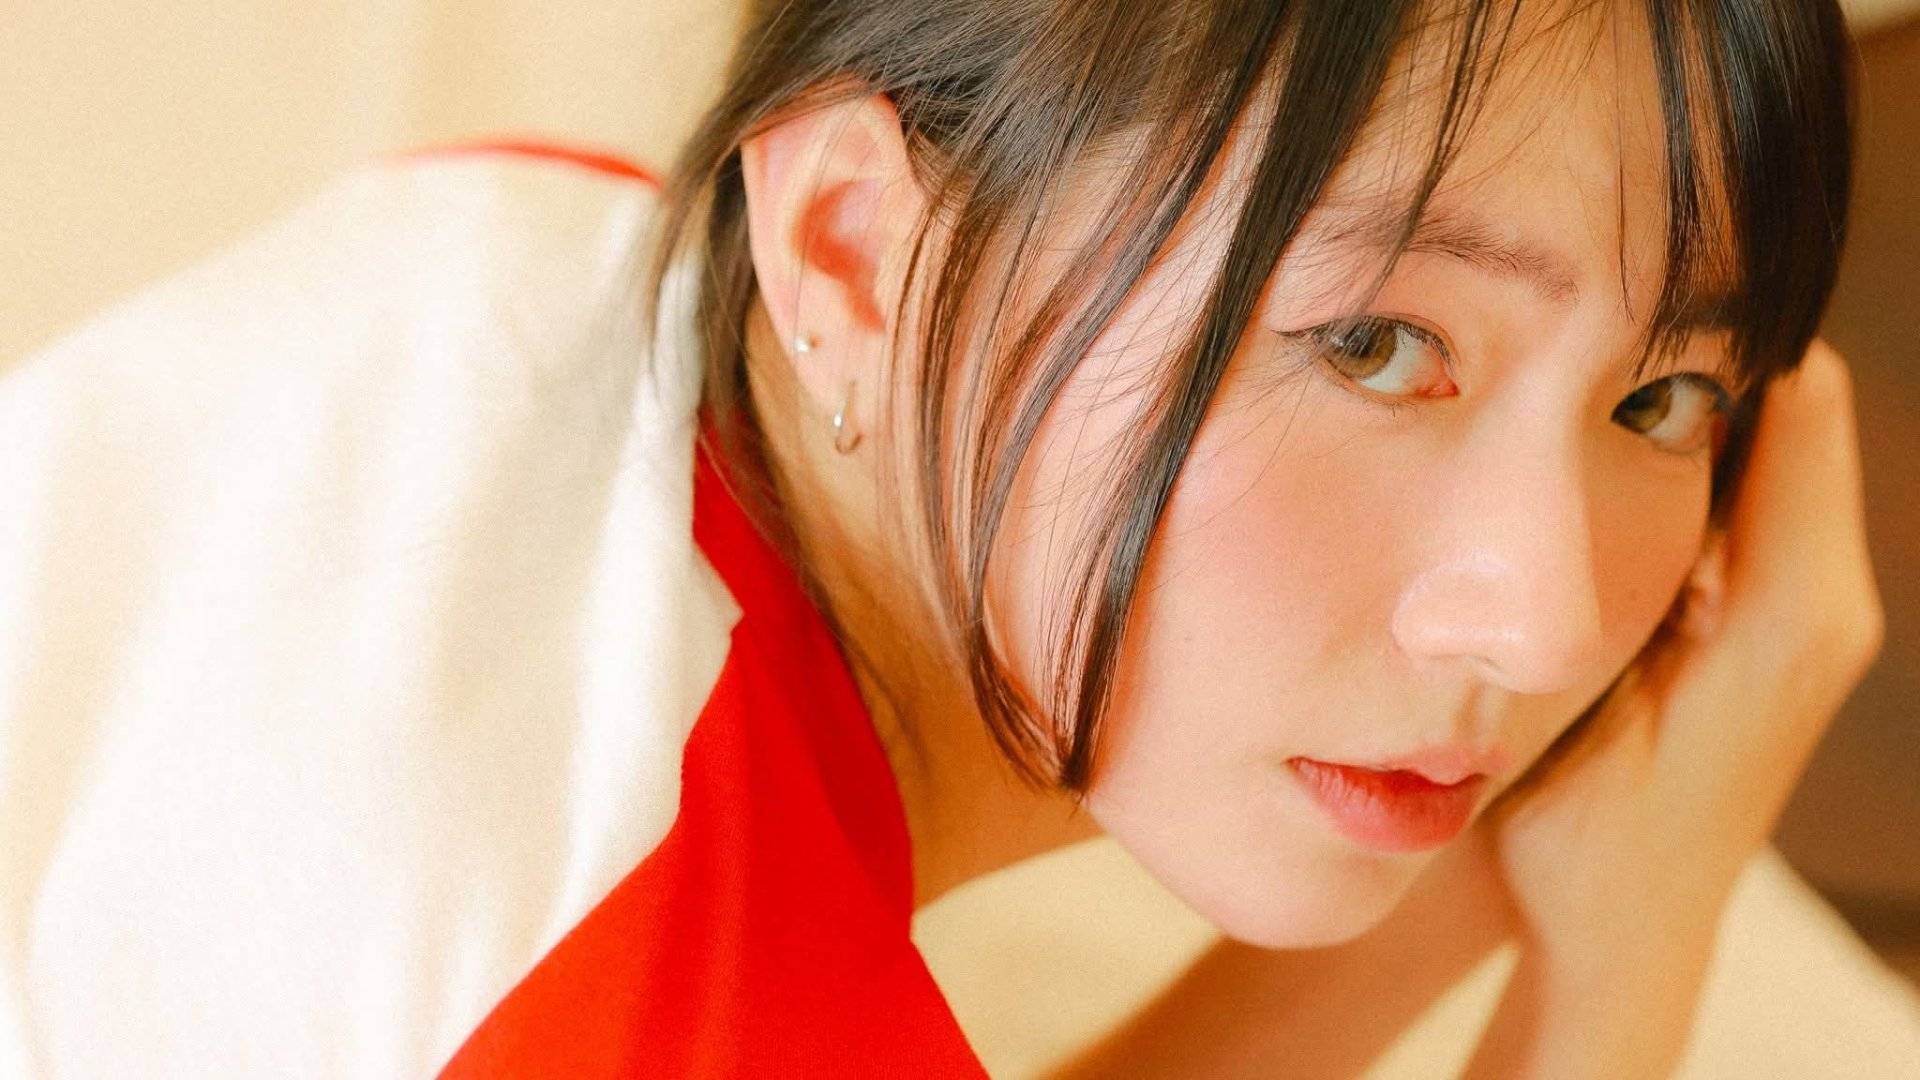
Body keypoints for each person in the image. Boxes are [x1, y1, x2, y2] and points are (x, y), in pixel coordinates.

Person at [0, 0, 1884, 1077]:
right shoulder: (622, 987)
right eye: (1377, 345)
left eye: (1665, 397)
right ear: (855, 248)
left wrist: (1480, 876)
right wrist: (1624, 968)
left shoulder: (518, 253)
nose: (1546, 622)